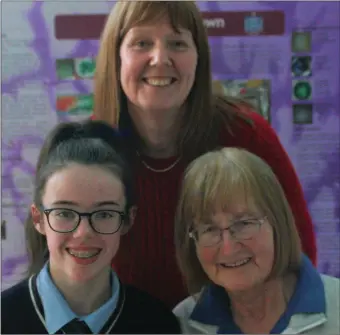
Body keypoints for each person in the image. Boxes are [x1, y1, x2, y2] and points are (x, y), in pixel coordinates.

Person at [99, 0, 316, 308]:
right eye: (141, 43)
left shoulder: (244, 135)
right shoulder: (94, 150)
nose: (160, 58)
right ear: (115, 56)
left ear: (198, 57)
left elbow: (297, 251)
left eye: (177, 42)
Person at [1, 120, 181, 334]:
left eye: (104, 214)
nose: (84, 232)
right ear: (39, 219)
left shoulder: (158, 324)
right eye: (65, 213)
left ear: (127, 220)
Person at [173, 148, 339, 334]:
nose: (228, 248)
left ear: (278, 223)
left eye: (243, 224)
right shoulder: (180, 325)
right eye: (210, 229)